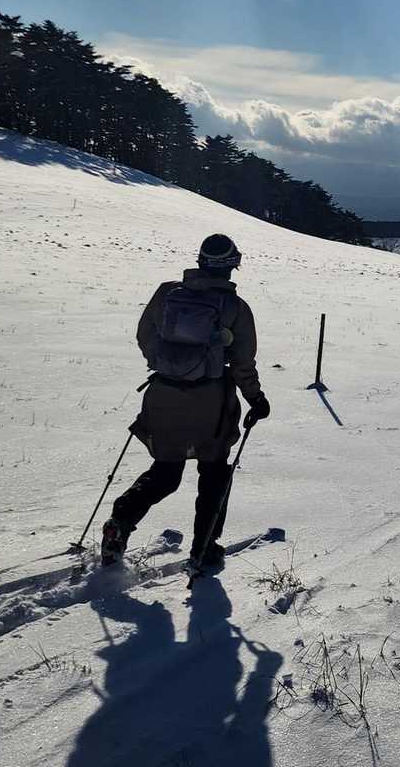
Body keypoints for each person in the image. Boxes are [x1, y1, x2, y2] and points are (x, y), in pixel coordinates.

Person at [101, 234, 271, 568]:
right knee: (214, 474)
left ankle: (121, 519)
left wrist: (169, 363)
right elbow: (242, 363)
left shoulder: (167, 293)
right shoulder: (235, 307)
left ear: (200, 261)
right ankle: (204, 548)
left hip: (162, 395)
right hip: (210, 402)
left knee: (166, 471)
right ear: (232, 265)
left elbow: (145, 335)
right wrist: (256, 398)